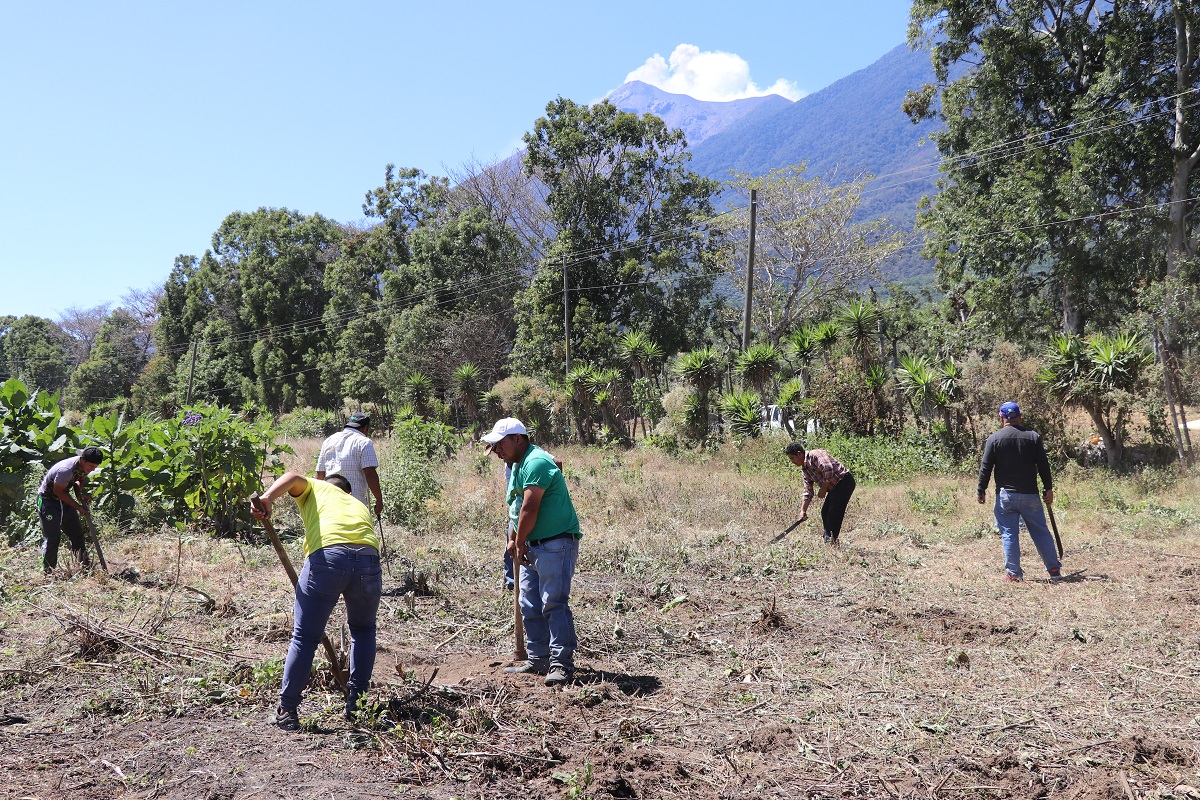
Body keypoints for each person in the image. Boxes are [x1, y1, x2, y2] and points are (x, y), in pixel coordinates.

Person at [250, 471, 382, 731]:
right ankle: (357, 704)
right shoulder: (357, 503)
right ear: (349, 492)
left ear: (322, 484)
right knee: (364, 630)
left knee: (304, 637)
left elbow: (292, 476)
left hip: (329, 557)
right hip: (368, 558)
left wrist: (266, 497)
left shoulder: (316, 488)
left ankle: (287, 710)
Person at [483, 418, 580, 687]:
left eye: (500, 443)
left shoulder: (536, 461)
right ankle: (538, 658)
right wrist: (514, 540)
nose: (497, 450)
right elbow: (516, 510)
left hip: (555, 542)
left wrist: (521, 541)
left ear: (518, 438)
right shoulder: (516, 466)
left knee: (553, 603)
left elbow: (530, 507)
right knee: (529, 603)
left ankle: (561, 663)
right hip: (532, 544)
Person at [977, 401, 1063, 582]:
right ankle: (1054, 570)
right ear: (1020, 417)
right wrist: (1048, 488)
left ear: (1001, 418)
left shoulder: (994, 439)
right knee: (1040, 531)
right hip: (1030, 496)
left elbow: (986, 467)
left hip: (1006, 497)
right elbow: (1043, 466)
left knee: (1009, 533)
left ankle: (1014, 575)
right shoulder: (1033, 437)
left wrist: (981, 490)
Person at [37, 446, 104, 574]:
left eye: (94, 467)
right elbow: (58, 491)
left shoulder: (85, 466)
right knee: (53, 538)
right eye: (90, 466)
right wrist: (78, 507)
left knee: (76, 534)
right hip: (48, 500)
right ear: (82, 460)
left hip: (64, 498)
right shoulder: (65, 470)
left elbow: (79, 480)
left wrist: (79, 495)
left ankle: (84, 567)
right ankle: (47, 571)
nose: (92, 469)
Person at [785, 441, 856, 545]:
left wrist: (823, 488)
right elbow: (808, 491)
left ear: (799, 453)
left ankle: (830, 541)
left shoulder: (814, 455)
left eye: (792, 458)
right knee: (825, 512)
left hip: (844, 481)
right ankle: (831, 539)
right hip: (834, 488)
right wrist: (803, 511)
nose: (792, 461)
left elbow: (828, 468)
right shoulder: (805, 471)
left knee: (833, 512)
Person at [315, 413, 383, 518]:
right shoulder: (364, 442)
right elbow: (370, 474)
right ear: (365, 428)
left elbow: (319, 475)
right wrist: (379, 499)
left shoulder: (328, 441)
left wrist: (318, 501)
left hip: (330, 502)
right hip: (355, 503)